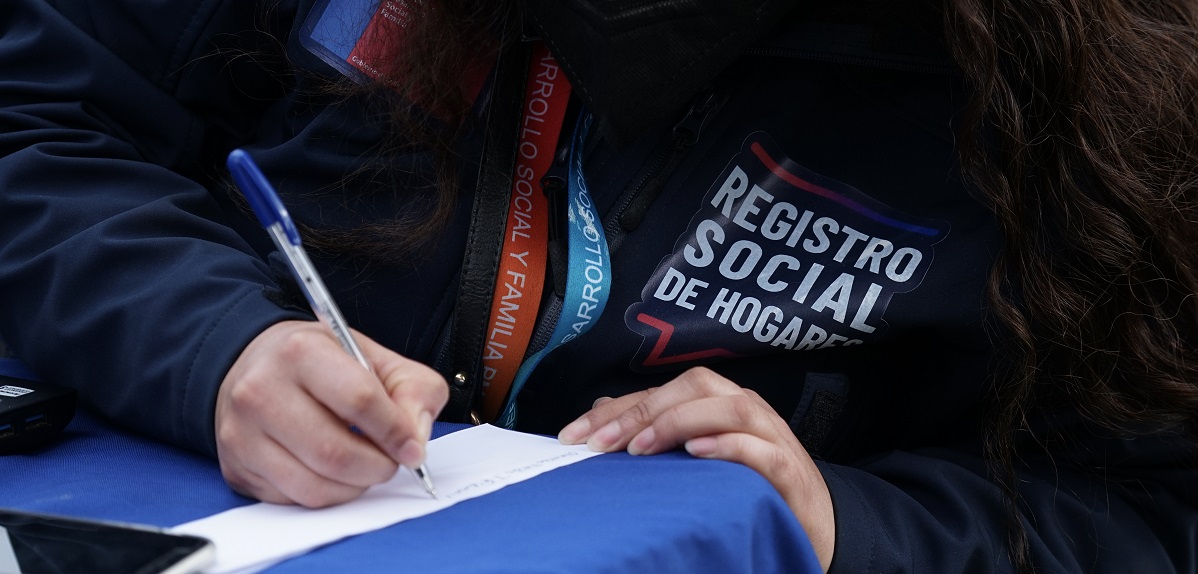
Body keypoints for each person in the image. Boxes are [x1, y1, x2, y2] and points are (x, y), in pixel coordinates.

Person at [1, 0, 1195, 572]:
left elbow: (1146, 507)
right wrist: (216, 346)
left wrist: (845, 527)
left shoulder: (1101, 91)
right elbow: (41, 121)